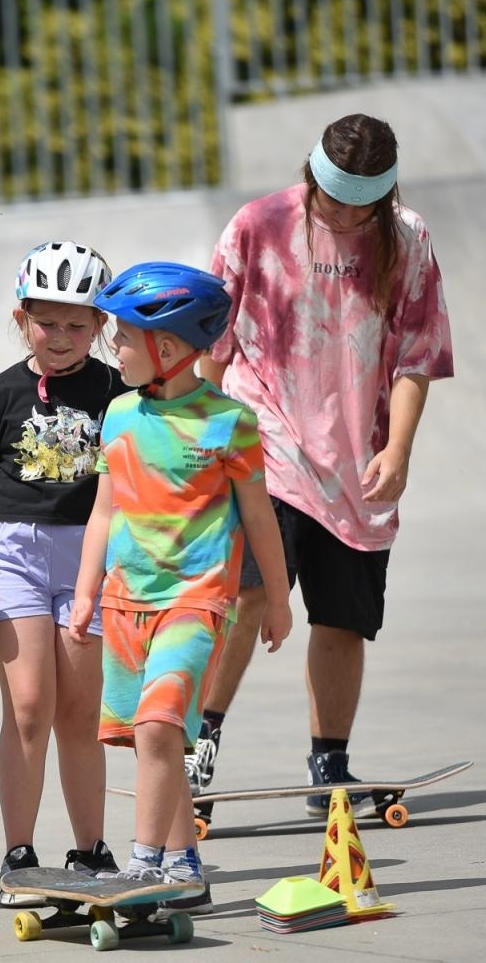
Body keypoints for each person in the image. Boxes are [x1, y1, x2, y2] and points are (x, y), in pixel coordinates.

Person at [188, 113, 453, 815]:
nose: (343, 214)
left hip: (357, 461)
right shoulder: (258, 225)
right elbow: (209, 345)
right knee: (244, 598)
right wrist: (195, 440)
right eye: (333, 198)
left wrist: (398, 449)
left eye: (360, 202)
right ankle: (196, 749)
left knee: (343, 618)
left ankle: (329, 763)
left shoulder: (408, 239)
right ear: (311, 174)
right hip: (261, 446)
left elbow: (417, 357)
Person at [71, 261, 293, 913]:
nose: (114, 346)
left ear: (165, 348)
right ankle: (184, 868)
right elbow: (103, 513)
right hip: (124, 601)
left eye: (123, 336)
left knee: (160, 724)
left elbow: (259, 518)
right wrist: (86, 592)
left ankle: (144, 867)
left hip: (197, 601)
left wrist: (278, 600)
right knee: (149, 740)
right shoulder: (116, 415)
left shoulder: (229, 423)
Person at [0, 241, 129, 904]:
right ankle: (18, 855)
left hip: (89, 562)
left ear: (102, 326)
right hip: (13, 556)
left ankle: (90, 852)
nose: (62, 337)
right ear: (22, 318)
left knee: (80, 715)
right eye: (48, 322)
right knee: (28, 709)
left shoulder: (118, 394)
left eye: (79, 325)